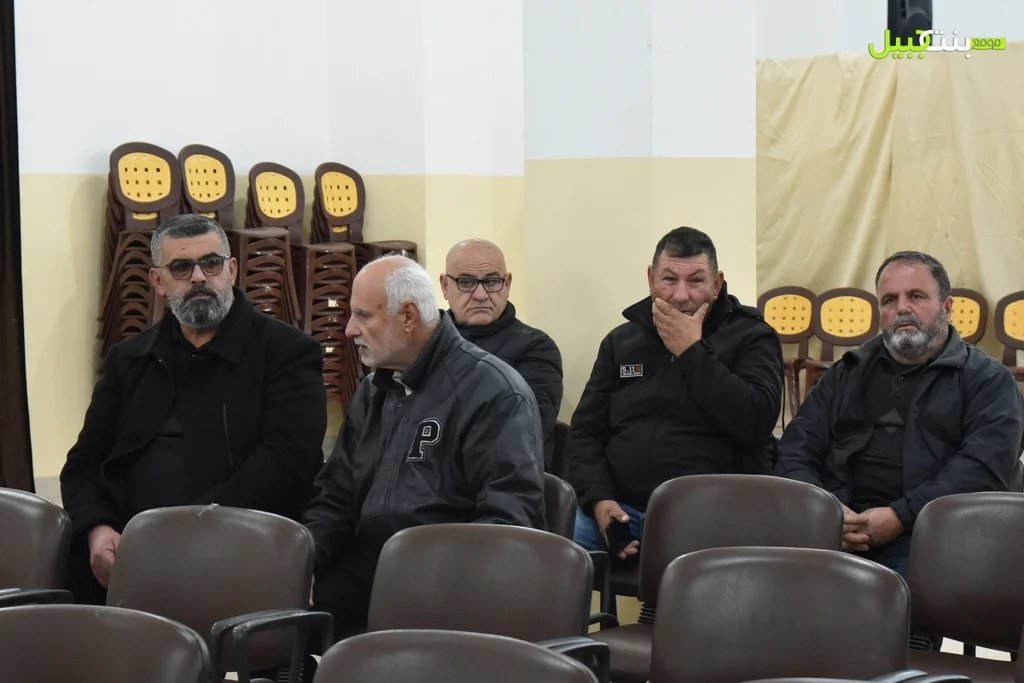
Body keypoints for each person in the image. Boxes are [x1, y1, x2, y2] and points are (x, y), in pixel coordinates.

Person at [60, 214, 327, 605]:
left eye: (211, 263)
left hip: (236, 544)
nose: (199, 277)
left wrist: (184, 530)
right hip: (128, 552)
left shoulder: (287, 353)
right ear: (158, 281)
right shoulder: (130, 359)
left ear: (231, 270)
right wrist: (97, 529)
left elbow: (287, 463)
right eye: (182, 268)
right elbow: (83, 462)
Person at [303, 254, 546, 640]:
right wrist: (307, 561)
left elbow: (507, 522)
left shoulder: (494, 392)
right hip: (374, 567)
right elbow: (337, 495)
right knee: (279, 610)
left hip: (452, 582)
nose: (350, 330)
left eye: (363, 316)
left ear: (408, 317)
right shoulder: (374, 390)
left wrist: (420, 574)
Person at [776, 251, 1024, 576]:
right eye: (890, 300)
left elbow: (984, 469)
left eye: (916, 296)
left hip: (933, 535)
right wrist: (824, 509)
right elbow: (795, 448)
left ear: (947, 307)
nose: (902, 308)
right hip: (837, 529)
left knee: (879, 594)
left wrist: (901, 516)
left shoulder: (987, 381)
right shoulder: (848, 372)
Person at [568, 226, 784, 559]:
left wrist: (692, 351)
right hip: (623, 509)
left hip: (714, 515)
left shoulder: (752, 336)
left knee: (700, 572)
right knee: (557, 557)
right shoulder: (621, 341)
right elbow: (586, 431)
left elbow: (756, 421)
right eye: (669, 280)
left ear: (717, 284)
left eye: (696, 281)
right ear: (651, 279)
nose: (681, 295)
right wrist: (599, 500)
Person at [440, 238, 563, 471]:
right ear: (445, 286)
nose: (480, 294)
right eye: (466, 282)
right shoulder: (424, 344)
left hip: (499, 479)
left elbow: (524, 431)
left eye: (492, 282)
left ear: (506, 284)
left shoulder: (536, 347)